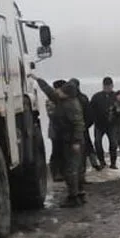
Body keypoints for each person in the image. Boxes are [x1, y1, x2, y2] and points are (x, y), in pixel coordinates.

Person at [33, 75, 85, 207]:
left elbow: (79, 124)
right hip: (67, 140)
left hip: (72, 141)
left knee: (71, 169)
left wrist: (76, 142)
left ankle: (74, 197)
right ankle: (78, 194)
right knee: (72, 168)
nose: (58, 91)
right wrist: (38, 79)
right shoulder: (62, 101)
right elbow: (49, 91)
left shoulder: (72, 106)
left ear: (67, 93)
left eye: (61, 90)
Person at [90, 76, 119, 171]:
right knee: (98, 143)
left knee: (114, 143)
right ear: (103, 86)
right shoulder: (96, 97)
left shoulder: (116, 96)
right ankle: (102, 162)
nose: (108, 88)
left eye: (110, 86)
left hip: (112, 125)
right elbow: (91, 110)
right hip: (99, 125)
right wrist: (94, 120)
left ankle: (113, 163)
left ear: (112, 85)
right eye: (106, 86)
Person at [70, 79, 98, 171]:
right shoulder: (81, 98)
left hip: (80, 126)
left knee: (84, 147)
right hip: (81, 126)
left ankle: (90, 165)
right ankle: (93, 164)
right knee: (86, 146)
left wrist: (86, 125)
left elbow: (89, 114)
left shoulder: (79, 98)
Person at [46, 78, 67, 182]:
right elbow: (52, 114)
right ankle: (56, 173)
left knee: (63, 151)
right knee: (56, 151)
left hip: (63, 130)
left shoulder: (64, 99)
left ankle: (62, 172)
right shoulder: (52, 100)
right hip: (55, 130)